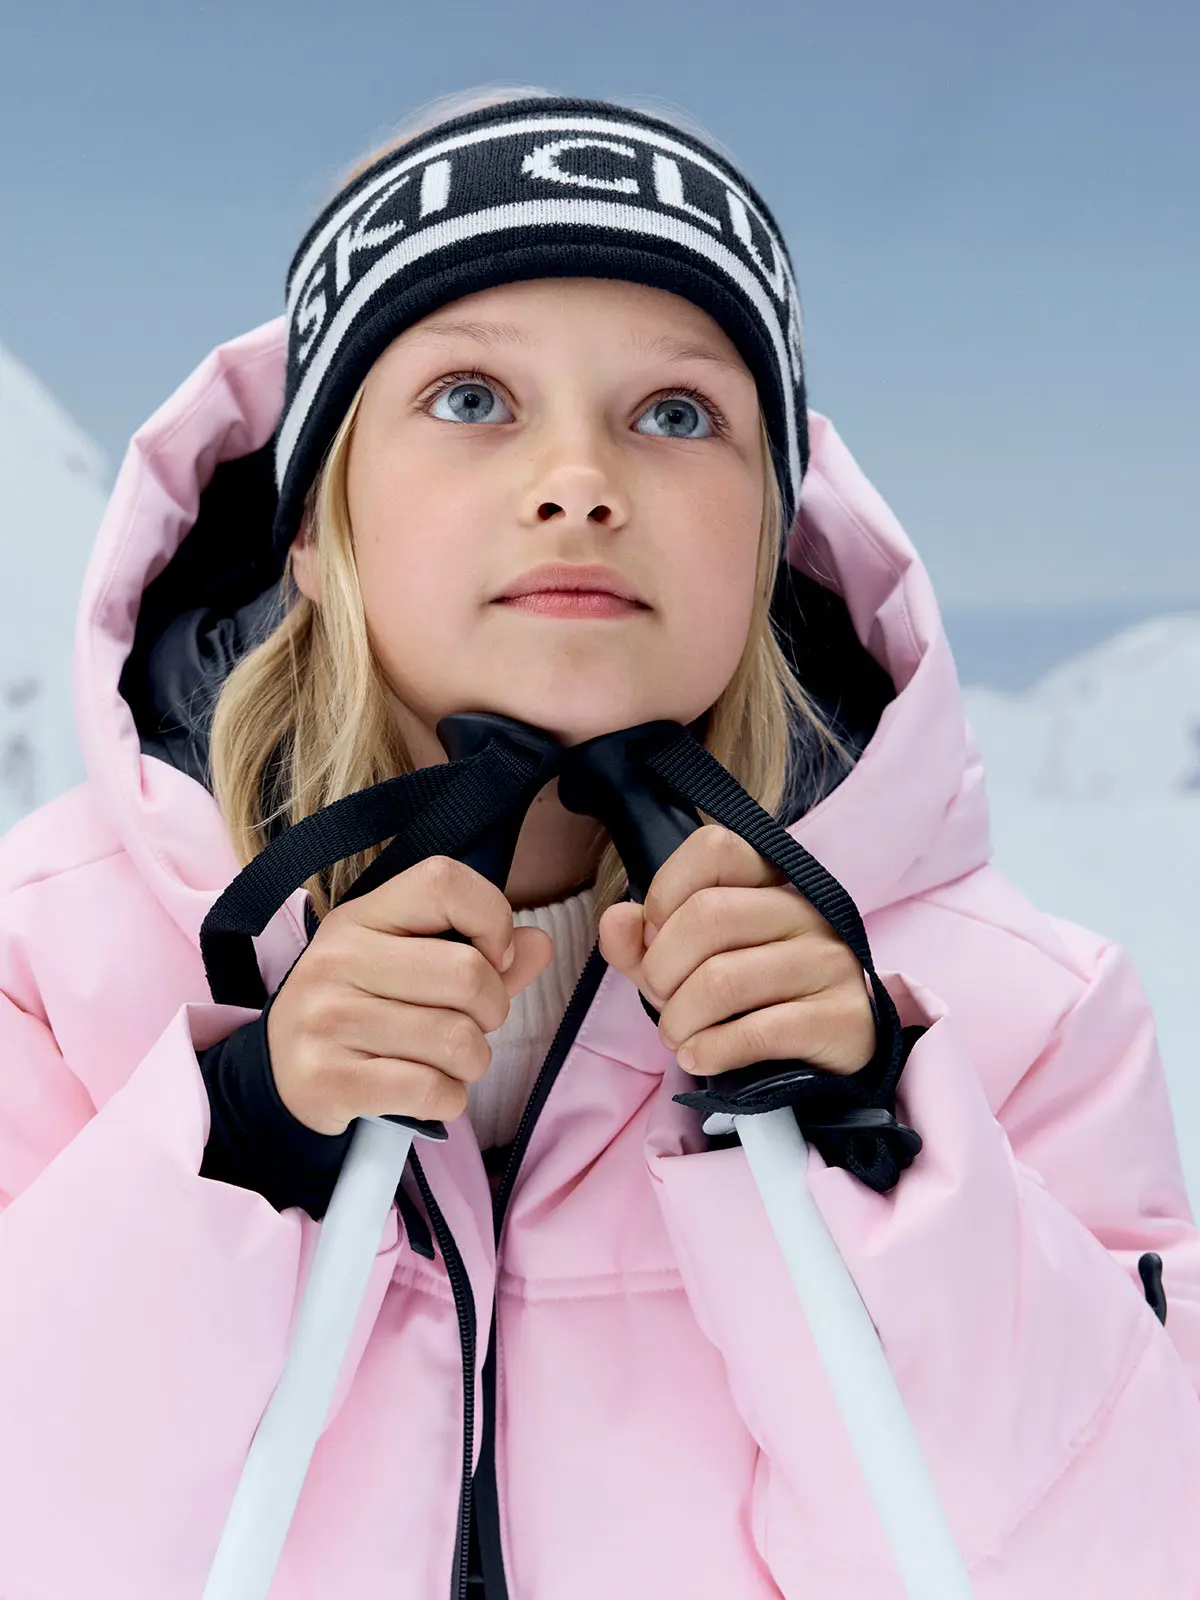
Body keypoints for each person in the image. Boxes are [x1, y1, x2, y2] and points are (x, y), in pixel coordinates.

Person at [1, 87, 1197, 1600]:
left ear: (771, 532)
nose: (580, 482)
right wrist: (241, 1137)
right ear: (314, 521)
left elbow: (1128, 1554)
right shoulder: (49, 969)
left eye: (679, 415)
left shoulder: (1017, 1020)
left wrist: (865, 1141)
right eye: (471, 400)